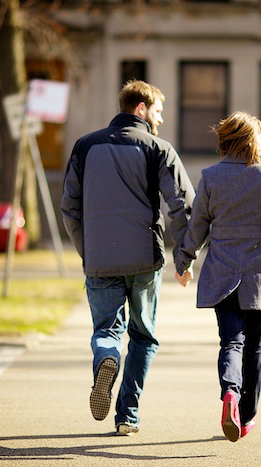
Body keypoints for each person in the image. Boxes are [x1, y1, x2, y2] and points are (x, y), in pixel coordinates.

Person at [174, 111, 261, 442]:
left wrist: (183, 261)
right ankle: (247, 414)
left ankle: (230, 393)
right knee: (254, 346)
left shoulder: (210, 177)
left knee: (231, 342)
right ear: (249, 142)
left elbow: (198, 224)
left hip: (222, 271)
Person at [61, 80, 195, 435]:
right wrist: (184, 259)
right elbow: (182, 206)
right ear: (141, 109)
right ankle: (127, 416)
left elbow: (68, 208)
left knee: (107, 330)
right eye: (158, 112)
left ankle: (106, 356)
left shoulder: (84, 146)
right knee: (143, 336)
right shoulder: (159, 149)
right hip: (144, 260)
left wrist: (87, 251)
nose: (161, 120)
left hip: (100, 259)